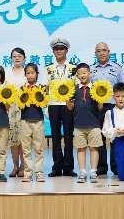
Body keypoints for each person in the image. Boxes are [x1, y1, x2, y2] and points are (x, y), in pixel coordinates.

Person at [91, 41, 124, 177]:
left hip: (113, 106)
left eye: (104, 50)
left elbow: (122, 88)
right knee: (99, 137)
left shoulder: (117, 68)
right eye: (99, 51)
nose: (102, 53)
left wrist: (120, 105)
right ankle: (101, 167)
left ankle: (116, 166)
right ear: (95, 53)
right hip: (97, 107)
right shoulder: (91, 69)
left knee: (114, 136)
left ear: (109, 52)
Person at [68, 63, 103, 183]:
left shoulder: (96, 88)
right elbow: (70, 108)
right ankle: (82, 172)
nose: (82, 75)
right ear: (77, 75)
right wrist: (67, 100)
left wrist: (100, 100)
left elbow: (100, 108)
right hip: (78, 125)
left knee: (94, 148)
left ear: (89, 73)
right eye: (79, 73)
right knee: (81, 149)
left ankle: (93, 172)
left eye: (84, 72)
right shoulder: (73, 89)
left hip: (94, 125)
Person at [46, 36, 76, 177]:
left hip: (68, 105)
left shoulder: (73, 68)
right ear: (53, 51)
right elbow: (45, 89)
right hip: (53, 105)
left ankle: (68, 167)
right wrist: (46, 107)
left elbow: (76, 87)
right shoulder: (48, 69)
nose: (59, 51)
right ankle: (57, 167)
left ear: (66, 50)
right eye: (56, 49)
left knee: (69, 136)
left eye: (61, 48)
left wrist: (73, 104)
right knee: (55, 136)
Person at [19, 63, 46, 183]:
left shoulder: (41, 88)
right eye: (28, 73)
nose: (30, 75)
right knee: (26, 149)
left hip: (38, 121)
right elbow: (19, 104)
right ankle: (28, 173)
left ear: (37, 74)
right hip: (25, 121)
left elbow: (45, 103)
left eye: (32, 73)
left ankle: (39, 173)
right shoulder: (21, 89)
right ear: (25, 75)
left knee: (39, 148)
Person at [4, 47, 27, 177]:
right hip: (10, 108)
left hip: (25, 107)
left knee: (23, 139)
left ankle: (23, 166)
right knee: (13, 139)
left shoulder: (27, 71)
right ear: (11, 58)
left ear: (24, 58)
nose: (17, 58)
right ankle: (15, 166)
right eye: (14, 56)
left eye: (19, 56)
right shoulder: (7, 72)